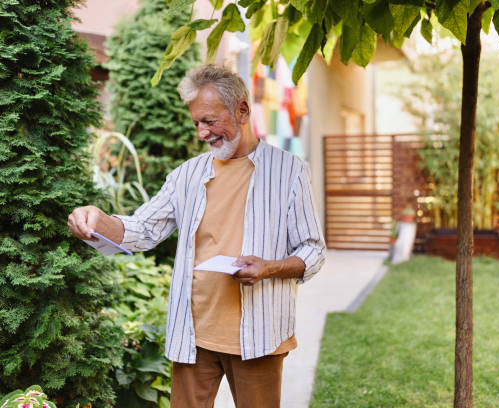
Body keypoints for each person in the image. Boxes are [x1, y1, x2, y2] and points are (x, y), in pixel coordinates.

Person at [67, 64, 326, 407]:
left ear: (242, 110)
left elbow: (313, 249)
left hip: (260, 334)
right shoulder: (186, 175)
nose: (202, 133)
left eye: (209, 121)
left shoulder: (289, 171)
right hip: (193, 335)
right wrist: (98, 222)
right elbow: (144, 229)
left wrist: (268, 268)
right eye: (196, 124)